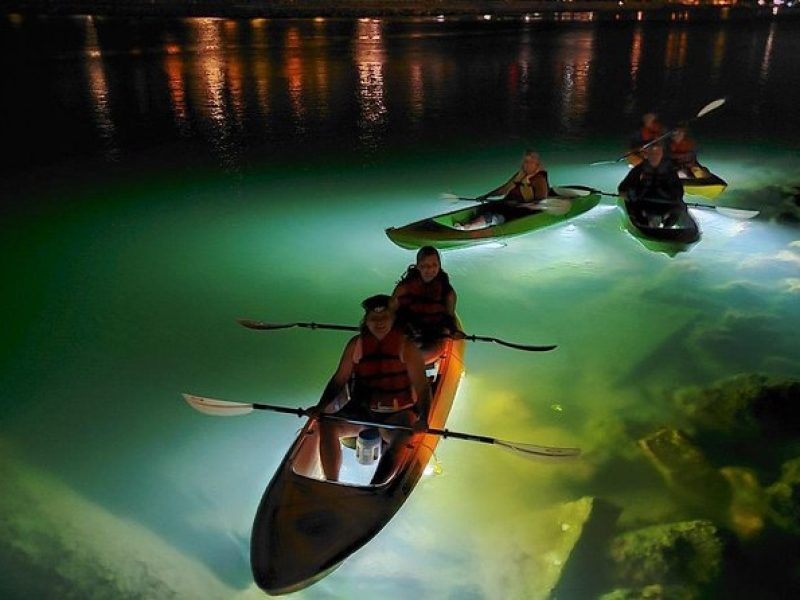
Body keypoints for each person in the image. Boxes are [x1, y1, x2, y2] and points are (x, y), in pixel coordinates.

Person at [309, 294, 432, 484]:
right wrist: (320, 406)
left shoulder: (407, 347)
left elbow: (423, 388)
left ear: (393, 319)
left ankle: (375, 487)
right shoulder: (355, 345)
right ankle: (331, 482)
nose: (379, 323)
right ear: (366, 321)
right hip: (363, 410)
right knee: (327, 423)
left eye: (384, 318)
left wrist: (423, 418)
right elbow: (339, 380)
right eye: (374, 319)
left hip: (397, 414)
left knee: (403, 436)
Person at [455, 149, 552, 230]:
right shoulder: (520, 175)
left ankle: (468, 227)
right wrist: (487, 196)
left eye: (530, 162)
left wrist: (522, 205)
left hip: (525, 210)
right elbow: (504, 189)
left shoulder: (539, 179)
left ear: (536, 164)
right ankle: (471, 223)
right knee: (488, 206)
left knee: (500, 214)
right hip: (511, 204)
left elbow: (541, 202)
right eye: (525, 162)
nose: (526, 165)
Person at [391, 246, 457, 361]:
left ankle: (413, 360)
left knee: (416, 354)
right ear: (417, 267)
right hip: (410, 329)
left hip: (434, 333)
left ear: (439, 266)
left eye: (434, 265)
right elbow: (391, 310)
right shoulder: (405, 287)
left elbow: (449, 317)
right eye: (424, 266)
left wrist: (453, 331)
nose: (430, 270)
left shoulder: (447, 291)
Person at [618, 142, 686, 228]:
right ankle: (644, 225)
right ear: (647, 155)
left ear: (661, 155)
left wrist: (676, 199)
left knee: (680, 208)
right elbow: (624, 186)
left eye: (657, 154)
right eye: (652, 154)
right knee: (634, 208)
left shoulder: (669, 171)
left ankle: (667, 227)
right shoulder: (640, 169)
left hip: (665, 203)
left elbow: (679, 190)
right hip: (644, 203)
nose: (655, 157)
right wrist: (625, 193)